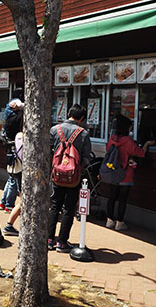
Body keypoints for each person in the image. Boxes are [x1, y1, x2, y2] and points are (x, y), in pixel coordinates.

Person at [48, 103, 91, 253]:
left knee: (54, 206)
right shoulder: (83, 133)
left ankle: (48, 239)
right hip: (74, 177)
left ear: (68, 114)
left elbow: (48, 152)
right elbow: (86, 158)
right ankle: (62, 242)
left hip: (56, 175)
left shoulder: (54, 130)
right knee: (69, 208)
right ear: (82, 118)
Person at [105, 115, 154, 231]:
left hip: (113, 172)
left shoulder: (112, 139)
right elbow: (141, 153)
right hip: (125, 174)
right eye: (131, 126)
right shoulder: (128, 142)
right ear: (126, 127)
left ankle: (109, 221)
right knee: (122, 199)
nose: (132, 127)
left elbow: (108, 150)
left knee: (112, 197)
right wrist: (147, 144)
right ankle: (119, 223)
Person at [0, 92, 24, 212]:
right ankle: (9, 204)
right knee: (15, 178)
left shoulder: (7, 117)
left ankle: (3, 202)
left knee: (11, 177)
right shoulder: (18, 118)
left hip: (9, 149)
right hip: (16, 151)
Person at [3, 130, 24, 236]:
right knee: (22, 202)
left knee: (22, 200)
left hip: (15, 169)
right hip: (22, 172)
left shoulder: (18, 135)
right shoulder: (26, 138)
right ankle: (9, 225)